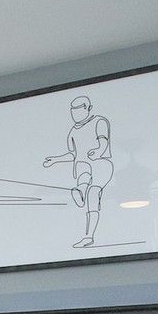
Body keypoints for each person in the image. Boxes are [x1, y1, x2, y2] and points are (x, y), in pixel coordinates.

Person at [42, 95, 114, 247]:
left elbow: (103, 141)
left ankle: (88, 236)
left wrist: (99, 151)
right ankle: (81, 190)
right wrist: (55, 160)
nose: (75, 114)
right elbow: (73, 154)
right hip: (83, 165)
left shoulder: (98, 121)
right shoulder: (73, 131)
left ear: (88, 108)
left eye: (79, 110)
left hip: (101, 164)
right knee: (82, 165)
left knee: (93, 194)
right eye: (73, 111)